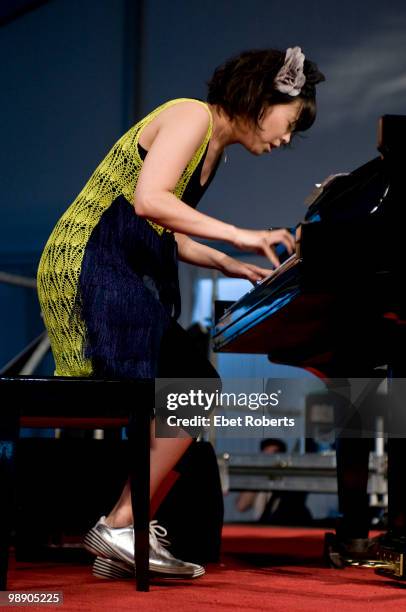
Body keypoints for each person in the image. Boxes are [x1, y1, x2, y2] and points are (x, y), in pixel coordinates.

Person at [36, 46, 325, 580]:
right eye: (291, 122)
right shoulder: (190, 114)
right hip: (89, 264)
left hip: (114, 265)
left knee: (194, 392)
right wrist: (242, 233)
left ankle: (125, 528)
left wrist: (230, 263)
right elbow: (149, 201)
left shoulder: (212, 147)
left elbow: (162, 228)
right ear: (262, 99)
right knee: (193, 389)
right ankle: (123, 526)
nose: (287, 138)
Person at [236, 439, 312, 525]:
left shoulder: (290, 481)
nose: (269, 461)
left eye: (273, 455)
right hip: (264, 531)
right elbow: (241, 506)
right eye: (266, 456)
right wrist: (259, 475)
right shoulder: (259, 482)